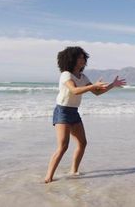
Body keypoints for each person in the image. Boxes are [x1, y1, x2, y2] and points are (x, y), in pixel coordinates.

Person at [44, 46, 126, 183]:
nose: (83, 60)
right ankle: (48, 177)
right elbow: (75, 90)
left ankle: (74, 170)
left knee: (82, 143)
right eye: (80, 57)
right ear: (72, 59)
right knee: (63, 146)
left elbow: (97, 93)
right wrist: (93, 86)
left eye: (84, 57)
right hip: (62, 111)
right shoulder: (66, 75)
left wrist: (113, 84)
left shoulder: (83, 77)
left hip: (74, 112)